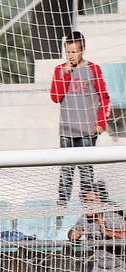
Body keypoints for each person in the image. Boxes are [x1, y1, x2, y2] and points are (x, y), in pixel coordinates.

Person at [50, 30, 111, 206]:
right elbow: (55, 96)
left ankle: (86, 206)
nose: (71, 56)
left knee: (86, 171)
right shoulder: (59, 70)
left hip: (87, 130)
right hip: (67, 130)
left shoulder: (93, 69)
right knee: (66, 171)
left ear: (82, 50)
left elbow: (104, 98)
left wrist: (101, 123)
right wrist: (66, 75)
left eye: (74, 51)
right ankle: (62, 207)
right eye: (68, 52)